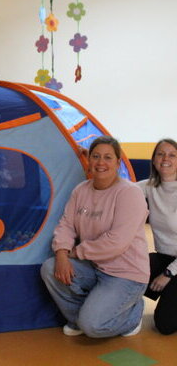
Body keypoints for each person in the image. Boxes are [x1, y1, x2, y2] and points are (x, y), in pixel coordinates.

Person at [41, 136, 150, 338]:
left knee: (93, 327)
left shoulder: (130, 193)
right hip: (94, 267)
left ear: (118, 163)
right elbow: (66, 225)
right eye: (96, 156)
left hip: (125, 274)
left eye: (108, 157)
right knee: (50, 268)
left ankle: (133, 314)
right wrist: (62, 253)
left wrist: (75, 252)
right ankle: (80, 320)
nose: (101, 162)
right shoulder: (81, 190)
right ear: (89, 160)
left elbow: (116, 242)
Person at [137, 138, 177, 335]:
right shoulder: (149, 187)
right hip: (164, 257)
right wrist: (90, 160)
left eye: (172, 155)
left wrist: (168, 274)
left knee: (165, 325)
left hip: (174, 265)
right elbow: (117, 187)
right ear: (153, 160)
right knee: (129, 268)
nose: (165, 159)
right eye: (160, 154)